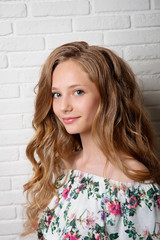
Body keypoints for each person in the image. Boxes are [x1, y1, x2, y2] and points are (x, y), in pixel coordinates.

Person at [23, 41, 160, 240]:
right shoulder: (67, 164)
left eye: (78, 92)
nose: (63, 107)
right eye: (56, 94)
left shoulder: (134, 184)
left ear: (108, 96)